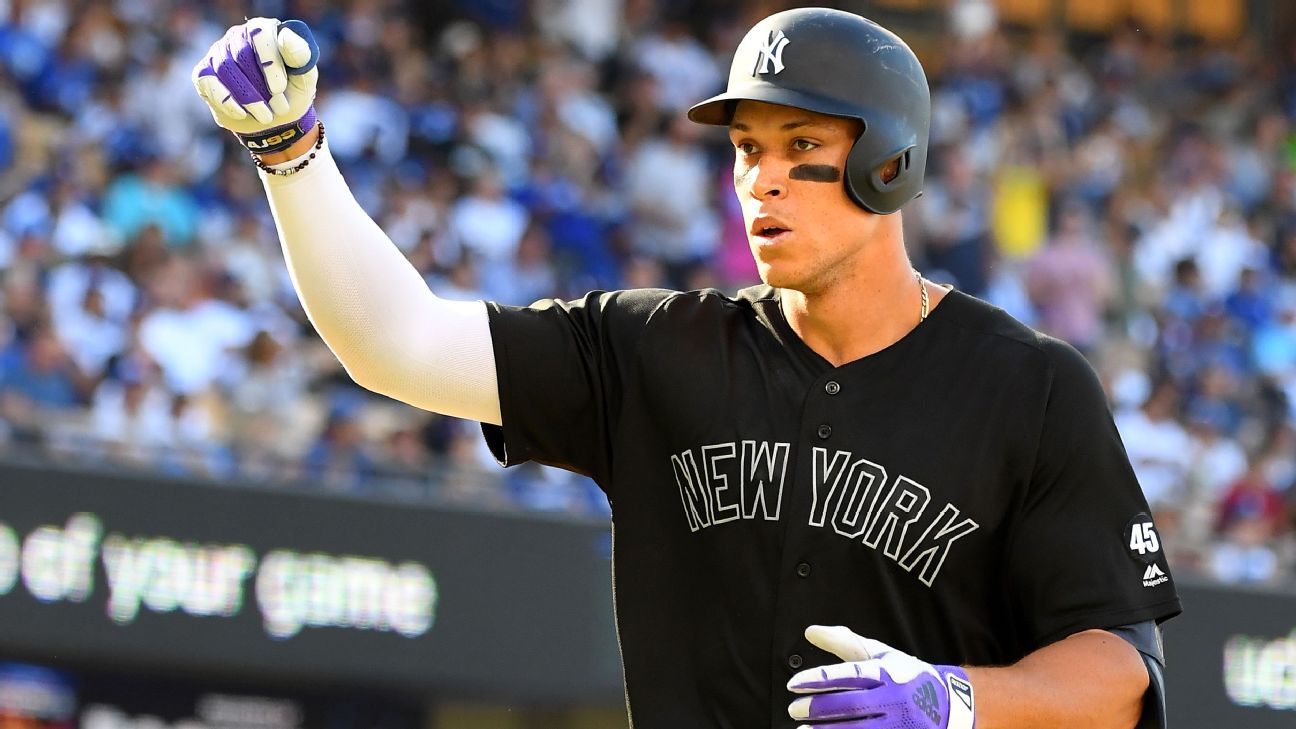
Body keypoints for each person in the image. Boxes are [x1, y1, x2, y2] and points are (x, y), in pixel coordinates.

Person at [192, 9, 1180, 729]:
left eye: (802, 146)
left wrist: (954, 698)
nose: (762, 180)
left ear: (892, 164)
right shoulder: (654, 346)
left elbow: (1118, 669)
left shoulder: (1032, 387)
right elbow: (396, 343)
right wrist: (292, 156)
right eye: (748, 149)